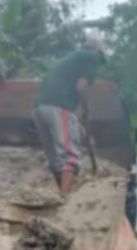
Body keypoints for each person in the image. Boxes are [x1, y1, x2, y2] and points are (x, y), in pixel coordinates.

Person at [32, 41, 107, 196]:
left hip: (39, 109)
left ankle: (62, 190)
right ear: (97, 51)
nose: (99, 64)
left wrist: (85, 134)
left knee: (55, 158)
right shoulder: (90, 57)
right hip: (58, 106)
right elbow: (80, 87)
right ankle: (64, 197)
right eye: (100, 59)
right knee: (70, 155)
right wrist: (85, 107)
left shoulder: (69, 60)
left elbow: (68, 120)